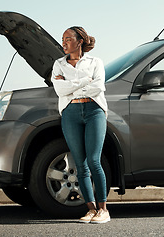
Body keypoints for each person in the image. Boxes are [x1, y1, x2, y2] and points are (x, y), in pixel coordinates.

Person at [51, 26, 110, 224]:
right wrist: (85, 81)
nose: (64, 42)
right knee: (80, 164)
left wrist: (72, 87)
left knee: (94, 161)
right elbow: (60, 90)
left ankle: (103, 209)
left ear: (80, 41)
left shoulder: (96, 62)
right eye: (62, 39)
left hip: (94, 111)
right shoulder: (58, 64)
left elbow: (98, 87)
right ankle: (91, 209)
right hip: (70, 113)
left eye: (68, 38)